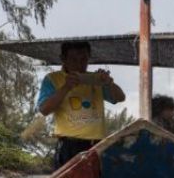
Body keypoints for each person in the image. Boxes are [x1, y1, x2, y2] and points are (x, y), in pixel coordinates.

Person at [38, 41, 126, 169]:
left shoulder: (95, 79)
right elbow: (44, 109)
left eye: (83, 59)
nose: (79, 64)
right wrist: (66, 87)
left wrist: (108, 83)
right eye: (73, 59)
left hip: (98, 145)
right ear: (63, 59)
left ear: (89, 58)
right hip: (69, 146)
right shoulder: (52, 79)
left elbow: (120, 98)